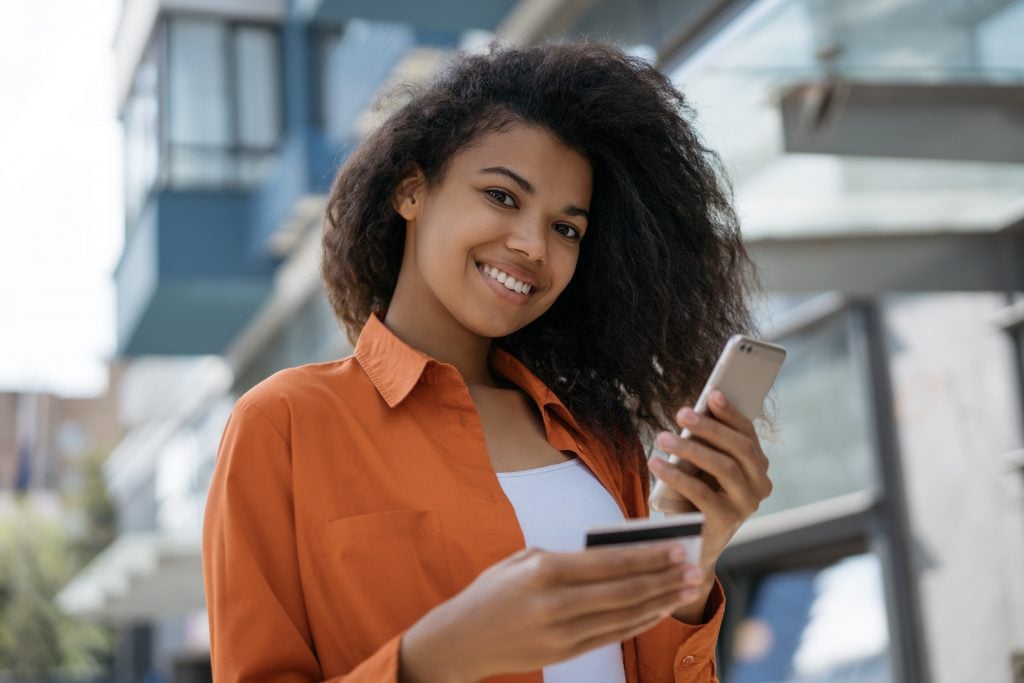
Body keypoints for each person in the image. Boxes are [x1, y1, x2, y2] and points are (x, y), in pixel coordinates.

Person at [202, 42, 772, 683]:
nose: (532, 244)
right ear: (412, 191)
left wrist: (693, 567)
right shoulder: (285, 423)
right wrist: (430, 658)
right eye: (502, 196)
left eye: (566, 228)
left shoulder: (597, 436)